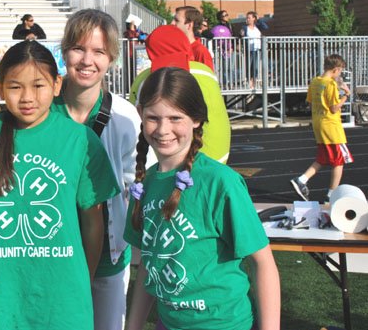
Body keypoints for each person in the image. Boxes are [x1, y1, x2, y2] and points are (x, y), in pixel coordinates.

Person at [0, 40, 120, 330]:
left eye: (38, 86)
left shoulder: (79, 139)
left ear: (56, 85)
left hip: (64, 283)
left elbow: (93, 219)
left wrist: (86, 273)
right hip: (6, 280)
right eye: (15, 87)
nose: (27, 97)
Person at [125, 67, 280, 330]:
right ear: (140, 114)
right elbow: (148, 269)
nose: (163, 129)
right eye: (153, 118)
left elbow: (262, 262)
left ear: (196, 118)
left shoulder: (221, 182)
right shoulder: (145, 183)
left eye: (175, 118)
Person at [51, 9, 141, 330]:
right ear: (64, 52)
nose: (87, 60)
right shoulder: (41, 111)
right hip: (51, 252)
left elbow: (137, 185)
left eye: (99, 51)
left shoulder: (126, 116)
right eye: (78, 48)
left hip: (107, 258)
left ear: (112, 58)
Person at [129, 25, 231, 164]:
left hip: (176, 161)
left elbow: (133, 123)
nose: (163, 129)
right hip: (217, 154)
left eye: (175, 118)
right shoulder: (206, 72)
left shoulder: (144, 79)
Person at [290, 54, 353, 202]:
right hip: (331, 126)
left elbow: (311, 103)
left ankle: (302, 179)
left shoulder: (315, 82)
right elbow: (333, 108)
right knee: (339, 161)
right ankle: (331, 195)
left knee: (323, 158)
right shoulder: (330, 84)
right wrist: (346, 95)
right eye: (340, 71)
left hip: (318, 124)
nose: (340, 74)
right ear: (336, 69)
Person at [172, 6, 214, 71]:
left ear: (189, 25)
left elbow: (208, 79)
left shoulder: (200, 52)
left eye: (177, 20)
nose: (172, 23)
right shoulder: (174, 49)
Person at [242, 11, 262, 89]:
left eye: (249, 18)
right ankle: (249, 82)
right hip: (249, 49)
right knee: (249, 66)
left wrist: (259, 19)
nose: (248, 19)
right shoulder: (245, 27)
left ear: (254, 18)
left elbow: (265, 27)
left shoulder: (257, 26)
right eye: (247, 18)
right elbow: (241, 34)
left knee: (256, 66)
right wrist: (241, 34)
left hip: (257, 48)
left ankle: (254, 82)